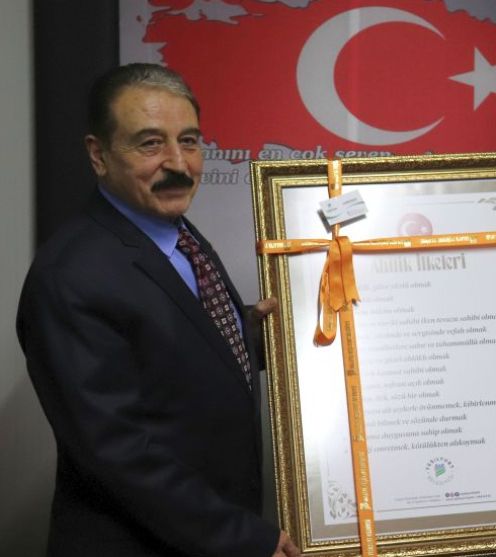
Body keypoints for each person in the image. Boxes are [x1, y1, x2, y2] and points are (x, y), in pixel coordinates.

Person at [16, 63, 300, 557]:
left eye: (189, 141)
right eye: (150, 144)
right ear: (98, 155)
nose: (178, 163)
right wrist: (243, 538)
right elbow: (118, 452)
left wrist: (261, 331)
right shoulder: (70, 276)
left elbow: (174, 347)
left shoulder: (175, 233)